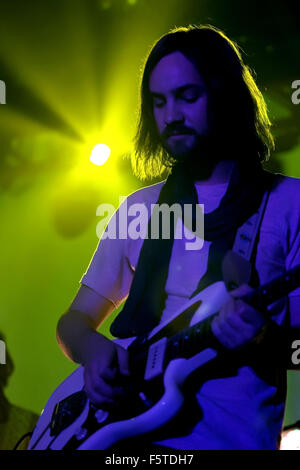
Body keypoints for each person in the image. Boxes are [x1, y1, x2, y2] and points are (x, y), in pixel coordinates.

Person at [56, 25, 300, 450]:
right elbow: (72, 324)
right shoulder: (137, 208)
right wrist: (93, 351)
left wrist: (262, 338)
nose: (171, 115)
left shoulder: (289, 203)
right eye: (159, 102)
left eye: (188, 96)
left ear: (224, 95)